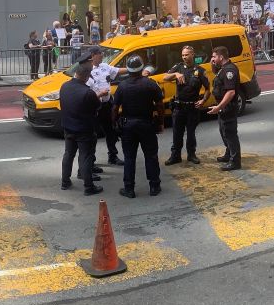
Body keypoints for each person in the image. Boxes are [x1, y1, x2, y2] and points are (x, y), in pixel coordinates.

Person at [112, 55, 165, 198]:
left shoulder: (122, 86)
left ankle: (129, 189)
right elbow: (160, 105)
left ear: (128, 70)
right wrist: (160, 122)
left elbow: (115, 108)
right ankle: (154, 186)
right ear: (142, 68)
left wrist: (114, 124)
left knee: (129, 158)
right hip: (146, 124)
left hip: (128, 126)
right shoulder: (150, 84)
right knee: (151, 156)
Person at [59, 54, 103, 195]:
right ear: (86, 76)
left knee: (68, 154)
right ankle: (89, 187)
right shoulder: (88, 93)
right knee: (86, 157)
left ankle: (65, 182)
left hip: (68, 127)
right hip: (84, 130)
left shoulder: (64, 86)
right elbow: (97, 107)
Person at [163, 46, 211, 165]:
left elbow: (208, 89)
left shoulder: (200, 71)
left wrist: (203, 100)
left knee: (191, 133)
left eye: (187, 55)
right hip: (179, 107)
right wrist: (175, 75)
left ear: (193, 55)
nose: (184, 57)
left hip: (192, 108)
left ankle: (191, 155)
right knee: (177, 134)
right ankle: (175, 156)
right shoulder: (178, 67)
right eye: (183, 55)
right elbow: (165, 77)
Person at [86, 45, 128, 166]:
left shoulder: (104, 66)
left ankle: (113, 156)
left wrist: (132, 69)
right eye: (100, 54)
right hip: (94, 107)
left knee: (111, 131)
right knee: (92, 135)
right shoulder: (87, 70)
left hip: (107, 105)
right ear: (93, 56)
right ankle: (91, 161)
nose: (102, 56)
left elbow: (117, 71)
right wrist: (99, 94)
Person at [208, 46, 242, 171]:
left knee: (230, 134)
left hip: (228, 107)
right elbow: (215, 74)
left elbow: (231, 92)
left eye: (214, 56)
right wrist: (212, 63)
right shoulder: (222, 69)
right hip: (223, 108)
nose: (212, 59)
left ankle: (235, 161)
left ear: (221, 57)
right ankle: (229, 154)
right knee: (224, 132)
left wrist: (219, 107)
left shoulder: (229, 70)